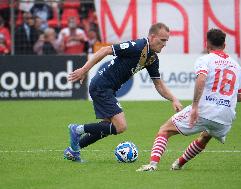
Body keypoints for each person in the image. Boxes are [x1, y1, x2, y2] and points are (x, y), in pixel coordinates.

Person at [63, 22, 183, 162]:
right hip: (102, 85)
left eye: (166, 41)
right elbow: (104, 50)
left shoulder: (152, 58)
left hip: (108, 88)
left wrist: (173, 99)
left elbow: (159, 84)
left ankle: (73, 151)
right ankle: (77, 129)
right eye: (162, 40)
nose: (164, 44)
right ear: (152, 36)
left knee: (105, 127)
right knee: (120, 126)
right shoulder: (137, 46)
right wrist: (84, 70)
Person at [136, 28, 241, 172]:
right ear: (224, 45)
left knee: (164, 130)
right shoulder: (236, 65)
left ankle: (152, 165)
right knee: (206, 136)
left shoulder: (205, 59)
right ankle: (178, 164)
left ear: (207, 45)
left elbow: (201, 79)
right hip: (226, 117)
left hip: (205, 110)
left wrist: (194, 107)